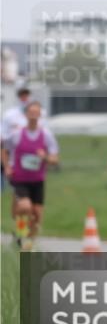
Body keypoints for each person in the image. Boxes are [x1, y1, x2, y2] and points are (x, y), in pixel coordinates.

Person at [1, 101, 58, 250]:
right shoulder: (17, 134)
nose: (33, 115)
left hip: (37, 180)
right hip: (19, 178)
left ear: (40, 115)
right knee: (26, 207)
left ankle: (28, 244)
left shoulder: (46, 135)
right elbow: (3, 149)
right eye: (30, 112)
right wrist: (6, 167)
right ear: (26, 115)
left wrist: (45, 157)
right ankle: (20, 232)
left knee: (37, 215)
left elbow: (54, 159)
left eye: (36, 112)